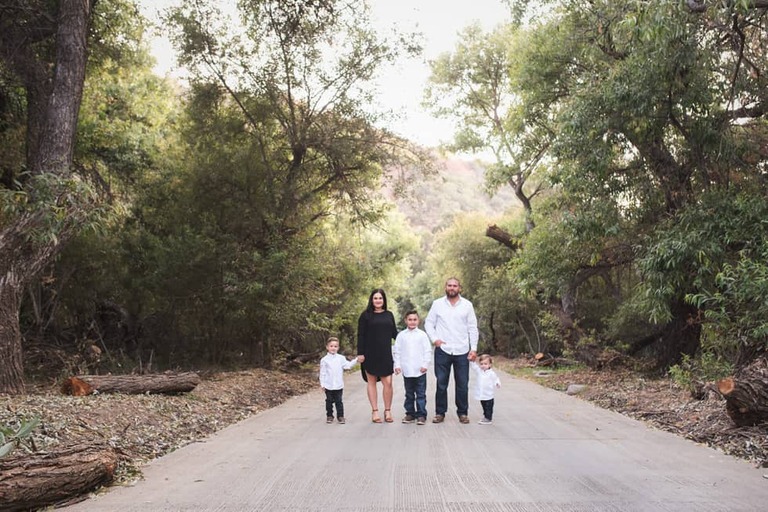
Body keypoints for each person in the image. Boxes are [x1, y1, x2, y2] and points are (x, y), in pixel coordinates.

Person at [425, 277, 479, 424]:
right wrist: (435, 339)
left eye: (455, 286)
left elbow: (472, 328)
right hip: (443, 350)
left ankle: (463, 413)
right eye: (449, 285)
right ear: (445, 287)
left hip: (462, 350)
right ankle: (440, 413)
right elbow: (429, 323)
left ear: (459, 288)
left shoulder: (467, 305)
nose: (452, 288)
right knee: (441, 383)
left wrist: (473, 348)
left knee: (462, 384)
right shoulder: (437, 304)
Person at [357, 288, 398, 423]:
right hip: (370, 354)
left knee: (388, 383)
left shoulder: (389, 315)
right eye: (375, 298)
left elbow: (395, 334)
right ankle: (375, 411)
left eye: (380, 298)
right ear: (372, 300)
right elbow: (361, 335)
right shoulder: (365, 315)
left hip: (385, 353)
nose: (378, 301)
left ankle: (387, 410)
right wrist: (360, 353)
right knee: (372, 382)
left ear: (384, 300)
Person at [393, 310, 432, 425]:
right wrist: (397, 365)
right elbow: (397, 351)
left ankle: (421, 415)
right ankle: (410, 413)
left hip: (420, 370)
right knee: (409, 393)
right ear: (406, 321)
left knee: (420, 393)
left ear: (418, 321)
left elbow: (427, 351)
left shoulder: (422, 335)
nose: (412, 322)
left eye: (414, 319)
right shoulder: (401, 335)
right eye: (410, 319)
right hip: (407, 369)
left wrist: (425, 364)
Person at [319, 337, 360, 424]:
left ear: (338, 347)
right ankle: (329, 416)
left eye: (335, 346)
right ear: (327, 347)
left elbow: (347, 366)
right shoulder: (324, 360)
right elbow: (322, 373)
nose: (333, 348)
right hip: (328, 385)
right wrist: (322, 384)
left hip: (338, 385)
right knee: (329, 401)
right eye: (331, 346)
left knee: (339, 401)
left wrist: (356, 360)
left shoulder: (341, 358)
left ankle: (340, 416)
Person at [470, 354, 501, 424]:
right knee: (484, 405)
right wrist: (471, 361)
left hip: (489, 394)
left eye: (485, 364)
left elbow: (496, 379)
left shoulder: (491, 373)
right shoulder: (479, 371)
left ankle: (488, 418)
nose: (483, 365)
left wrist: (497, 383)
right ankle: (485, 416)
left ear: (490, 365)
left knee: (488, 407)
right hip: (482, 394)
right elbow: (474, 367)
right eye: (481, 364)